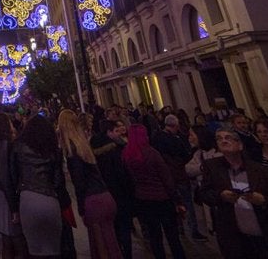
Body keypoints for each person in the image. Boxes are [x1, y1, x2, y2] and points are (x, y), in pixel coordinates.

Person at [197, 125, 268, 258]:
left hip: (265, 236)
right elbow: (204, 193)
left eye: (228, 138)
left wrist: (263, 201)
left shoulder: (261, 172)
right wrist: (221, 196)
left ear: (240, 145)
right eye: (219, 138)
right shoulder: (213, 167)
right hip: (235, 237)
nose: (223, 141)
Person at [58, 110, 122, 259]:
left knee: (100, 248)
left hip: (93, 201)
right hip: (105, 196)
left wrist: (81, 207)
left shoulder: (72, 151)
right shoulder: (84, 145)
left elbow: (79, 183)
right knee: (111, 243)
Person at [7, 115, 70, 259]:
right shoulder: (53, 150)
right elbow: (58, 181)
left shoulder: (17, 147)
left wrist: (14, 207)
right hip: (50, 199)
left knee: (33, 249)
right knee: (54, 249)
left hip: (27, 198)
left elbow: (13, 178)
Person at [121, 123, 185, 259]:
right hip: (162, 198)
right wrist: (177, 198)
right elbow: (166, 177)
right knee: (173, 236)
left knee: (154, 237)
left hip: (144, 199)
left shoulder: (127, 155)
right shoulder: (152, 153)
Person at [91, 119, 135, 259]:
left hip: (106, 194)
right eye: (115, 130)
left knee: (114, 229)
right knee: (123, 228)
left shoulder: (96, 153)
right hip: (120, 195)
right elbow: (124, 174)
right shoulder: (116, 150)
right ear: (109, 132)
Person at [0, 112, 25, 259]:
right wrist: (14, 207)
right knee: (16, 240)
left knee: (7, 239)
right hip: (5, 195)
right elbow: (5, 175)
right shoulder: (4, 144)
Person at [151, 114, 195, 244]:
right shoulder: (176, 140)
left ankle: (179, 226)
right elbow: (185, 156)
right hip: (178, 174)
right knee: (187, 202)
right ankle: (193, 229)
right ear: (175, 126)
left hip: (166, 176)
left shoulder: (156, 138)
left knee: (174, 201)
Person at [185, 125, 221, 241]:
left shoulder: (217, 152)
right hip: (208, 196)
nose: (189, 138)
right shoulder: (198, 153)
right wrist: (202, 168)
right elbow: (188, 169)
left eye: (192, 135)